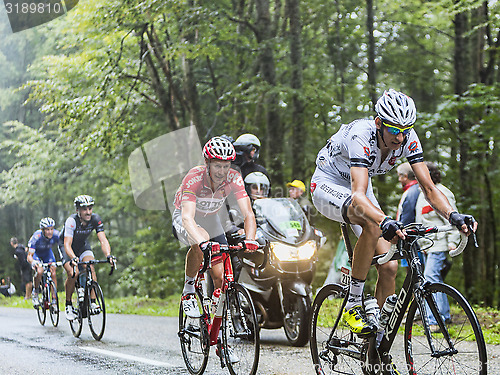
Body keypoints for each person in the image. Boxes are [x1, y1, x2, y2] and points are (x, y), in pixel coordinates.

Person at [310, 89, 476, 358]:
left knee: (389, 266)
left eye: (405, 130)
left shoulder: (407, 136)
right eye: (393, 131)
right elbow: (358, 196)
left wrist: (453, 215)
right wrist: (384, 219)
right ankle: (353, 302)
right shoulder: (361, 135)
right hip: (329, 184)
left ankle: (373, 346)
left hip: (360, 187)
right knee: (373, 224)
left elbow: (429, 188)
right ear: (379, 123)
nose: (400, 138)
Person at [172, 137, 258, 319]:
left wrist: (250, 240)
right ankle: (188, 291)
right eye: (217, 166)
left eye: (226, 166)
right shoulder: (194, 177)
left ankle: (217, 332)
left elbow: (248, 213)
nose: (222, 171)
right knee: (199, 241)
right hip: (187, 216)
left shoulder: (234, 177)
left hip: (211, 218)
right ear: (207, 163)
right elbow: (187, 217)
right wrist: (202, 243)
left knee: (220, 278)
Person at [416, 162, 459, 333]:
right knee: (435, 279)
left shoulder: (443, 192)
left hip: (440, 244)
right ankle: (445, 316)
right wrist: (422, 243)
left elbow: (453, 219)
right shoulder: (422, 194)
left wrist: (453, 242)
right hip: (428, 245)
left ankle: (435, 320)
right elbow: (422, 222)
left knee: (430, 279)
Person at [59, 195, 114, 321]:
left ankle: (93, 302)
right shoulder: (71, 221)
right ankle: (68, 305)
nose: (88, 212)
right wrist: (73, 258)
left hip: (82, 245)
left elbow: (103, 240)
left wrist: (108, 255)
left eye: (90, 208)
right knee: (74, 272)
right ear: (78, 210)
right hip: (67, 246)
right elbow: (67, 244)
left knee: (90, 265)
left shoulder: (95, 219)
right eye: (84, 209)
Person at [27, 217, 60, 307]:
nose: (50, 232)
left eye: (51, 229)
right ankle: (36, 291)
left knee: (53, 272)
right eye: (47, 229)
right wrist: (33, 262)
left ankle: (54, 300)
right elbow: (29, 256)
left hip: (48, 254)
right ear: (42, 230)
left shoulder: (56, 235)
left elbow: (63, 247)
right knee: (40, 271)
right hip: (36, 254)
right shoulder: (36, 237)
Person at [395, 162, 424, 267]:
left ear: (405, 176)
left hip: (411, 241)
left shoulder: (411, 192)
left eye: (400, 176)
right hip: (416, 240)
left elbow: (407, 217)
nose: (399, 179)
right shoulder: (418, 189)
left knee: (413, 272)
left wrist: (402, 235)